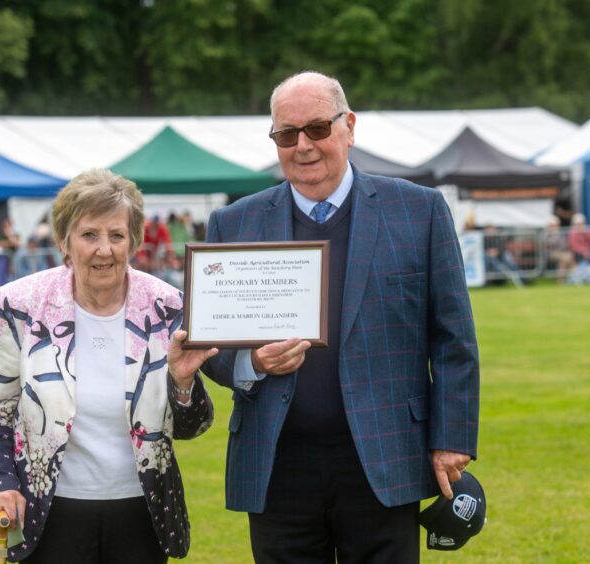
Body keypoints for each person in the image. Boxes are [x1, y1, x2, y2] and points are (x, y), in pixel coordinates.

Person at [200, 71, 480, 563]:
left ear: (349, 126)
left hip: (384, 452)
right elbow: (209, 345)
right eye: (287, 135)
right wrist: (253, 363)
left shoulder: (419, 211)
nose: (303, 145)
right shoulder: (234, 222)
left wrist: (452, 438)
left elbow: (453, 339)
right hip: (277, 459)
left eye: (317, 129)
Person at [0, 168, 218, 563]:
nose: (105, 249)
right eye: (89, 235)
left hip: (142, 511)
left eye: (117, 235)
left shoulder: (169, 306)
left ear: (134, 241)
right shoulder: (20, 303)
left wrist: (183, 384)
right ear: (64, 241)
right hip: (47, 512)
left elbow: (192, 427)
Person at [544, 215, 574, 283]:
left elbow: (565, 244)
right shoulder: (546, 234)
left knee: (563, 261)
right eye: (552, 225)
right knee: (568, 257)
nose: (554, 226)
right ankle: (575, 277)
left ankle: (561, 280)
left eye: (556, 225)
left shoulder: (561, 232)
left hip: (562, 253)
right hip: (551, 253)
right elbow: (550, 244)